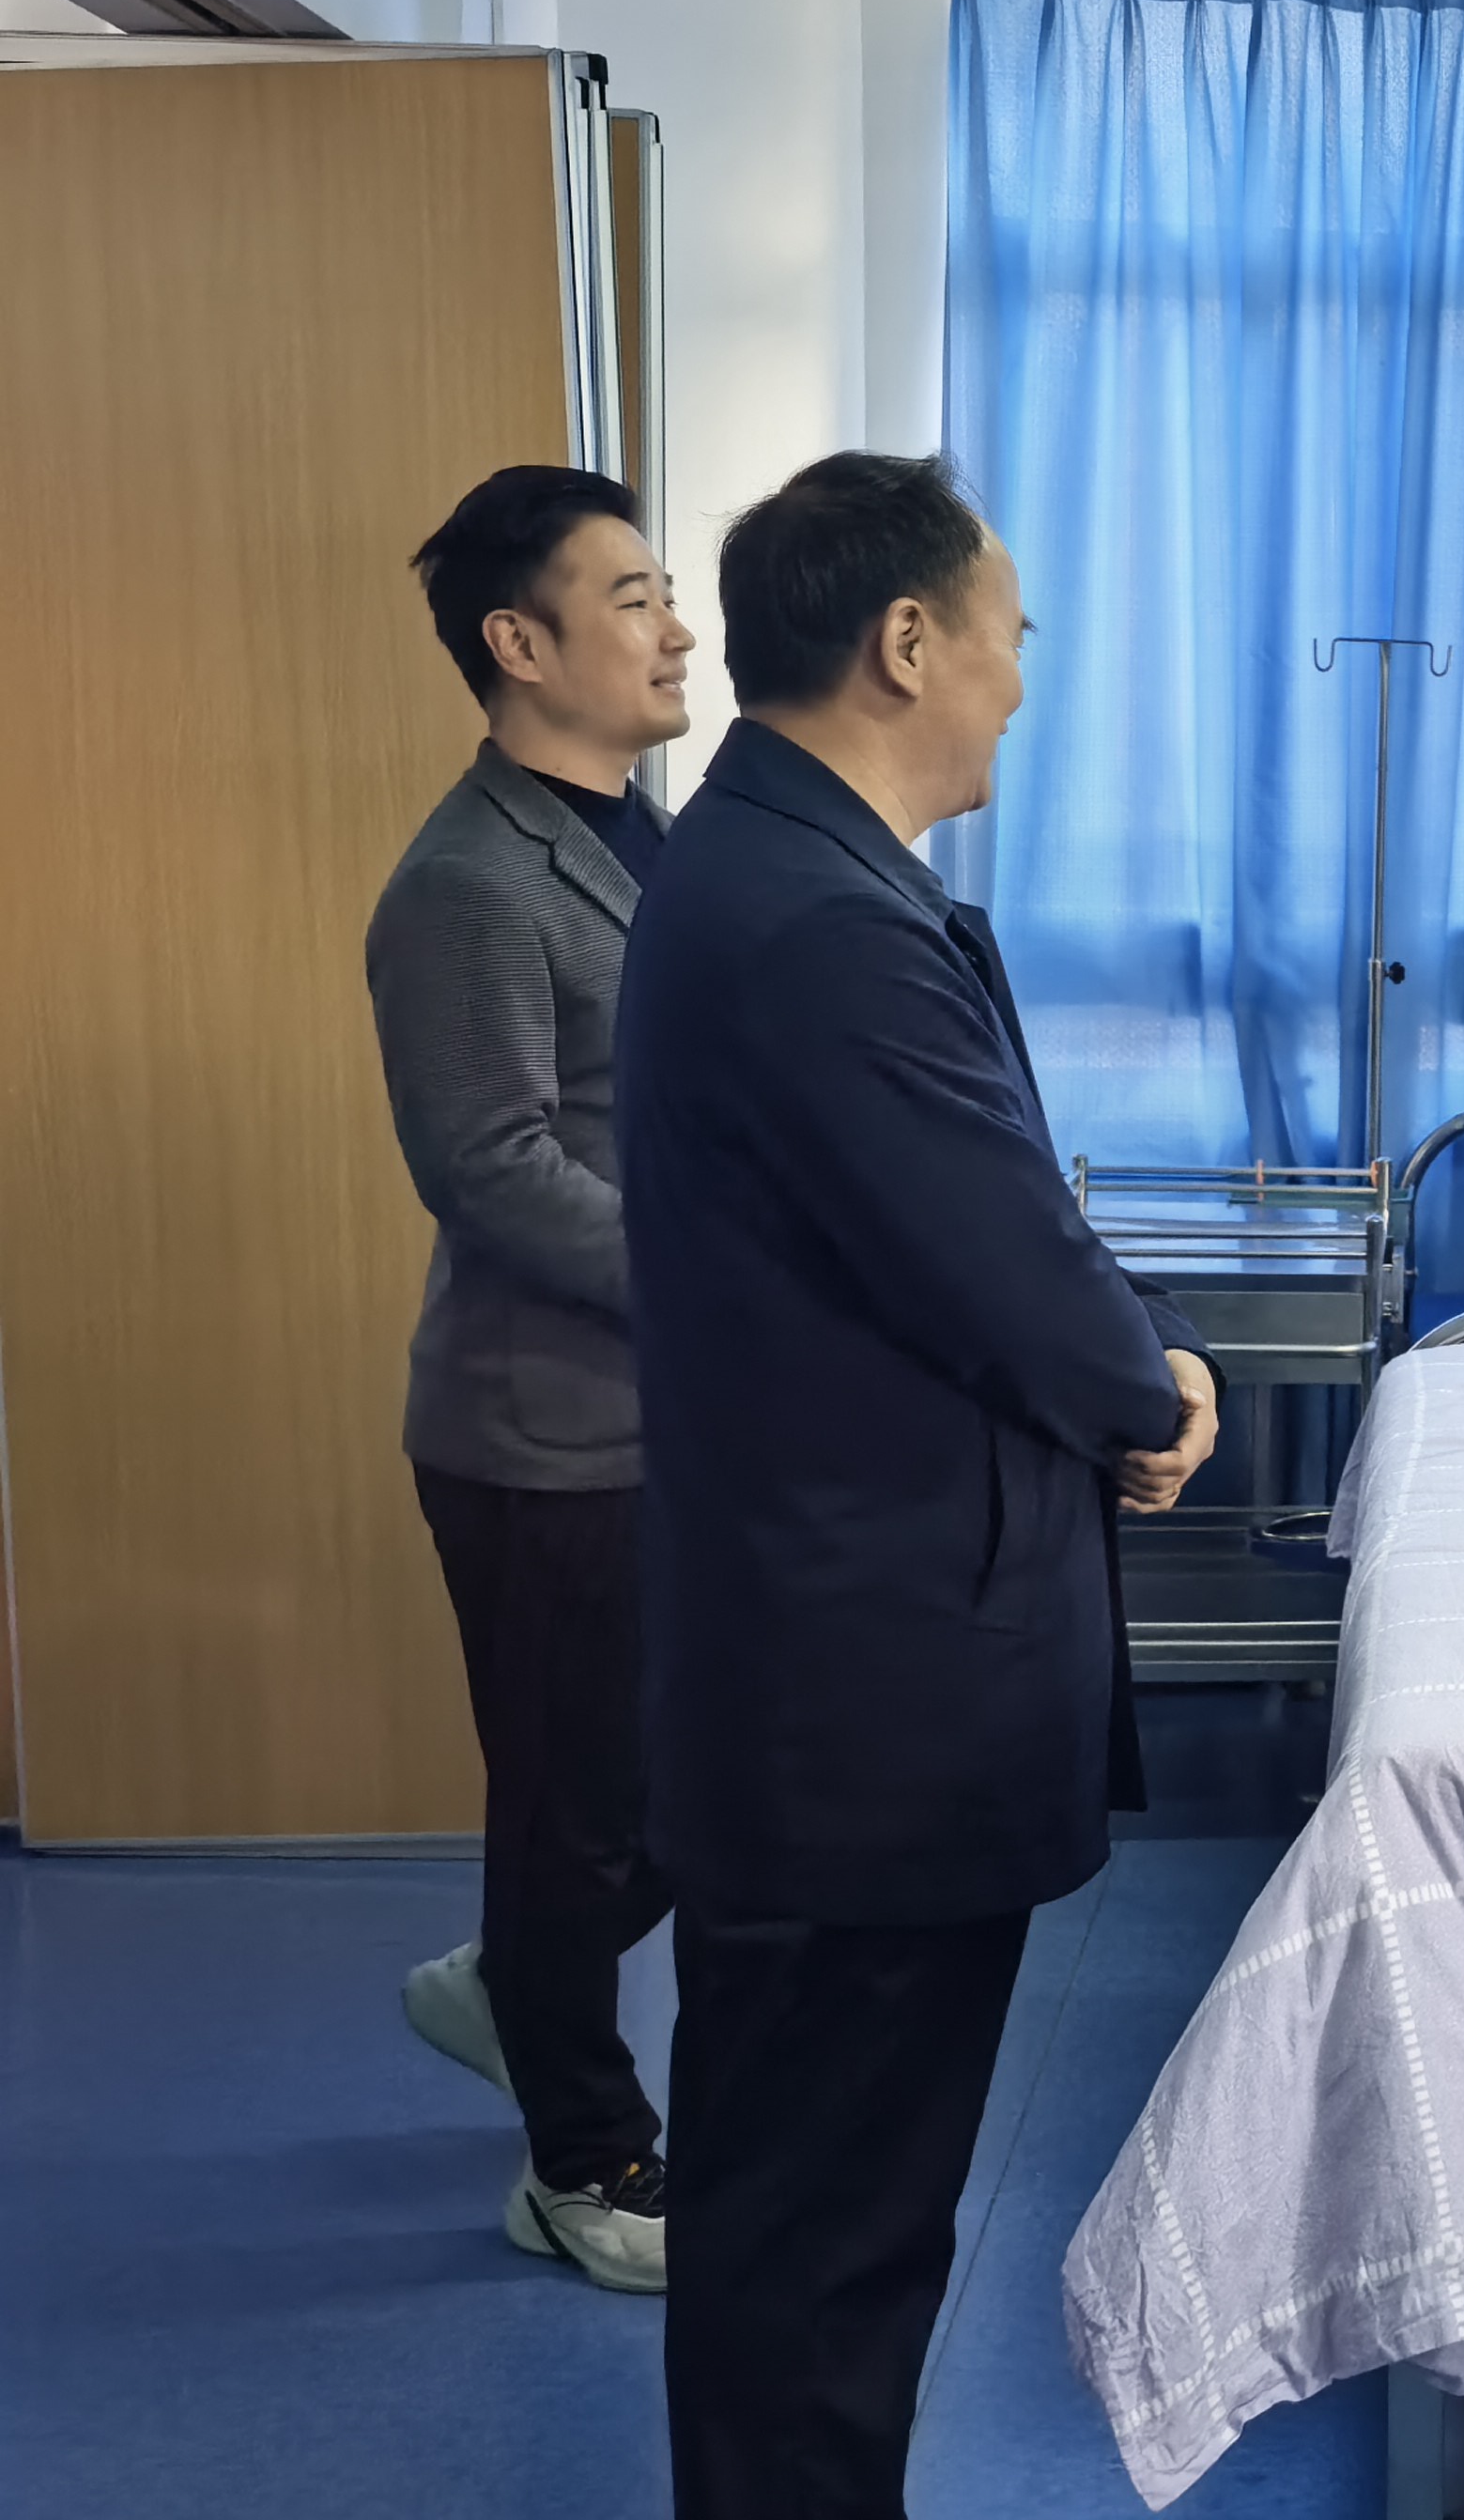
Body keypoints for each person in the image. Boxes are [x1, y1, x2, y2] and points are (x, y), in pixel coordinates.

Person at [617, 452, 1219, 2520]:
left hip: (829, 1649)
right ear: (904, 641)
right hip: (858, 1691)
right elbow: (1003, 1260)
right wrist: (1152, 1384)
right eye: (1007, 636)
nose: (1017, 682)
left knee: (814, 2223)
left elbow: (980, 1211)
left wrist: (1124, 1353)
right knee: (827, 2238)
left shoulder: (787, 873)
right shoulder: (814, 922)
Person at [366, 464, 696, 2292]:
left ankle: (512, 1979)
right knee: (574, 1807)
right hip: (543, 1430)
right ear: (520, 640)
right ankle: (585, 2165)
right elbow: (492, 1168)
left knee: (687, 1780)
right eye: (633, 596)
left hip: (682, 1414)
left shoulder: (652, 835)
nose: (677, 629)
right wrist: (732, 1291)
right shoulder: (469, 881)